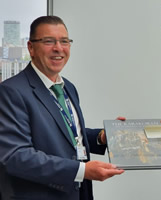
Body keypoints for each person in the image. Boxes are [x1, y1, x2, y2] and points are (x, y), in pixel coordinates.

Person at [0, 16, 124, 200]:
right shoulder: (11, 92)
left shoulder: (68, 87)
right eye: (49, 41)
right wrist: (81, 170)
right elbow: (16, 156)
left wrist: (101, 137)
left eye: (64, 41)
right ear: (31, 48)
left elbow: (67, 136)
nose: (59, 48)